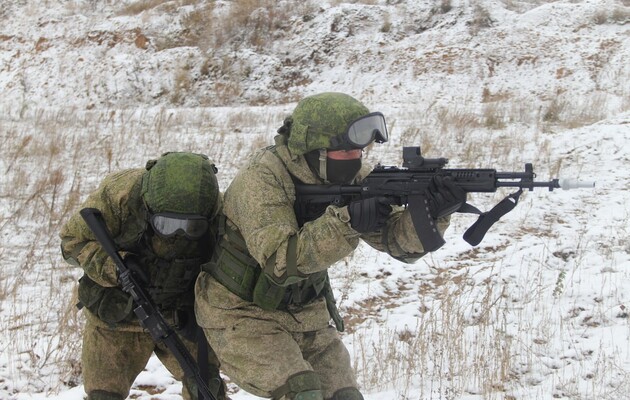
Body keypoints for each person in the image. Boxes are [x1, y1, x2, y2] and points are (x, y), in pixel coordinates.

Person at [194, 92, 465, 399]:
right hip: (241, 313)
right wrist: (346, 223)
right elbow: (280, 263)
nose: (356, 160)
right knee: (302, 392)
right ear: (314, 150)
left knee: (344, 396)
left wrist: (433, 213)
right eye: (346, 152)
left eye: (360, 151)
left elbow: (396, 242)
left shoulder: (354, 177)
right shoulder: (261, 178)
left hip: (305, 311)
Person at [60, 152, 228, 400]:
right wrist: (117, 267)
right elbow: (72, 242)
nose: (178, 234)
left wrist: (207, 308)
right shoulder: (120, 196)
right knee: (103, 395)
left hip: (181, 317)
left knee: (206, 389)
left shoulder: (217, 210)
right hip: (116, 315)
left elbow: (228, 267)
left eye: (192, 227)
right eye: (166, 224)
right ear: (148, 208)